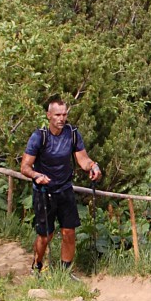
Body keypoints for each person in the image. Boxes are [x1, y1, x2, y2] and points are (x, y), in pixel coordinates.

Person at [20, 96, 100, 274]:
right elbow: (25, 167)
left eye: (64, 114)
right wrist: (36, 175)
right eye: (57, 115)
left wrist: (93, 166)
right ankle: (37, 266)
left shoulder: (72, 134)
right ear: (49, 115)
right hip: (44, 191)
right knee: (45, 235)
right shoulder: (39, 137)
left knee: (69, 232)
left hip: (65, 189)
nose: (61, 118)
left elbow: (83, 160)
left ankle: (65, 272)